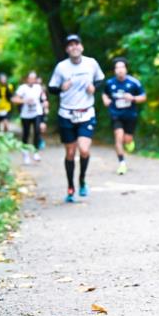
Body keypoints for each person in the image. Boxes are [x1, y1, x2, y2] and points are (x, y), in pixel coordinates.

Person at [48, 34, 105, 203]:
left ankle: (82, 180)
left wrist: (94, 87)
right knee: (70, 153)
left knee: (84, 149)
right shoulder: (61, 68)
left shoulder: (91, 63)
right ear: (67, 49)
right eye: (70, 45)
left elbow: (102, 81)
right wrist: (61, 88)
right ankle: (70, 186)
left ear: (81, 47)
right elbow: (51, 88)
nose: (74, 47)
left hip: (86, 112)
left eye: (76, 44)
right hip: (67, 114)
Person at [101, 57, 146, 175]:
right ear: (114, 70)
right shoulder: (110, 83)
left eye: (122, 67)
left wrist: (133, 98)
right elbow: (104, 94)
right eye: (117, 68)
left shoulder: (134, 83)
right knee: (118, 136)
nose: (119, 70)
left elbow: (143, 97)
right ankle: (122, 163)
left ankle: (130, 142)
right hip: (116, 114)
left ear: (126, 69)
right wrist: (105, 100)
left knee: (127, 139)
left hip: (130, 115)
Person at [12, 71, 45, 165]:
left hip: (37, 113)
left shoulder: (38, 87)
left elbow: (43, 100)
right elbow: (14, 99)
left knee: (37, 132)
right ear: (27, 79)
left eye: (34, 78)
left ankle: (35, 152)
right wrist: (24, 100)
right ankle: (25, 154)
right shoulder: (22, 88)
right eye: (30, 78)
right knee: (26, 134)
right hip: (26, 115)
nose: (32, 80)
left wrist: (44, 118)